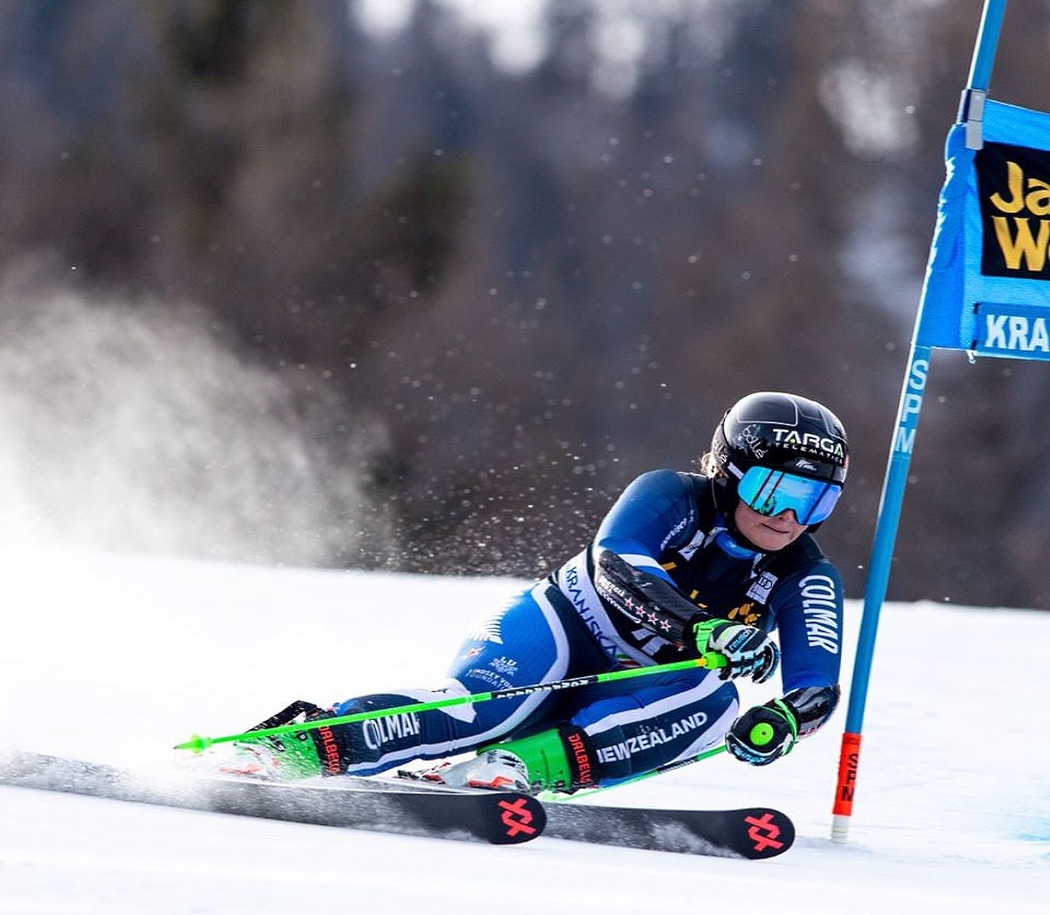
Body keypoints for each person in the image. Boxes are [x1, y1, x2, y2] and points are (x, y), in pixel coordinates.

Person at [217, 391, 848, 795]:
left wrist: (786, 720)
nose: (789, 517)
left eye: (815, 500)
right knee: (486, 710)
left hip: (636, 689)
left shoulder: (807, 574)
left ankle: (521, 768)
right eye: (775, 491)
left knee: (715, 703)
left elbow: (816, 683)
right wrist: (704, 629)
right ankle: (294, 746)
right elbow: (618, 566)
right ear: (729, 470)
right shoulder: (669, 495)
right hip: (562, 630)